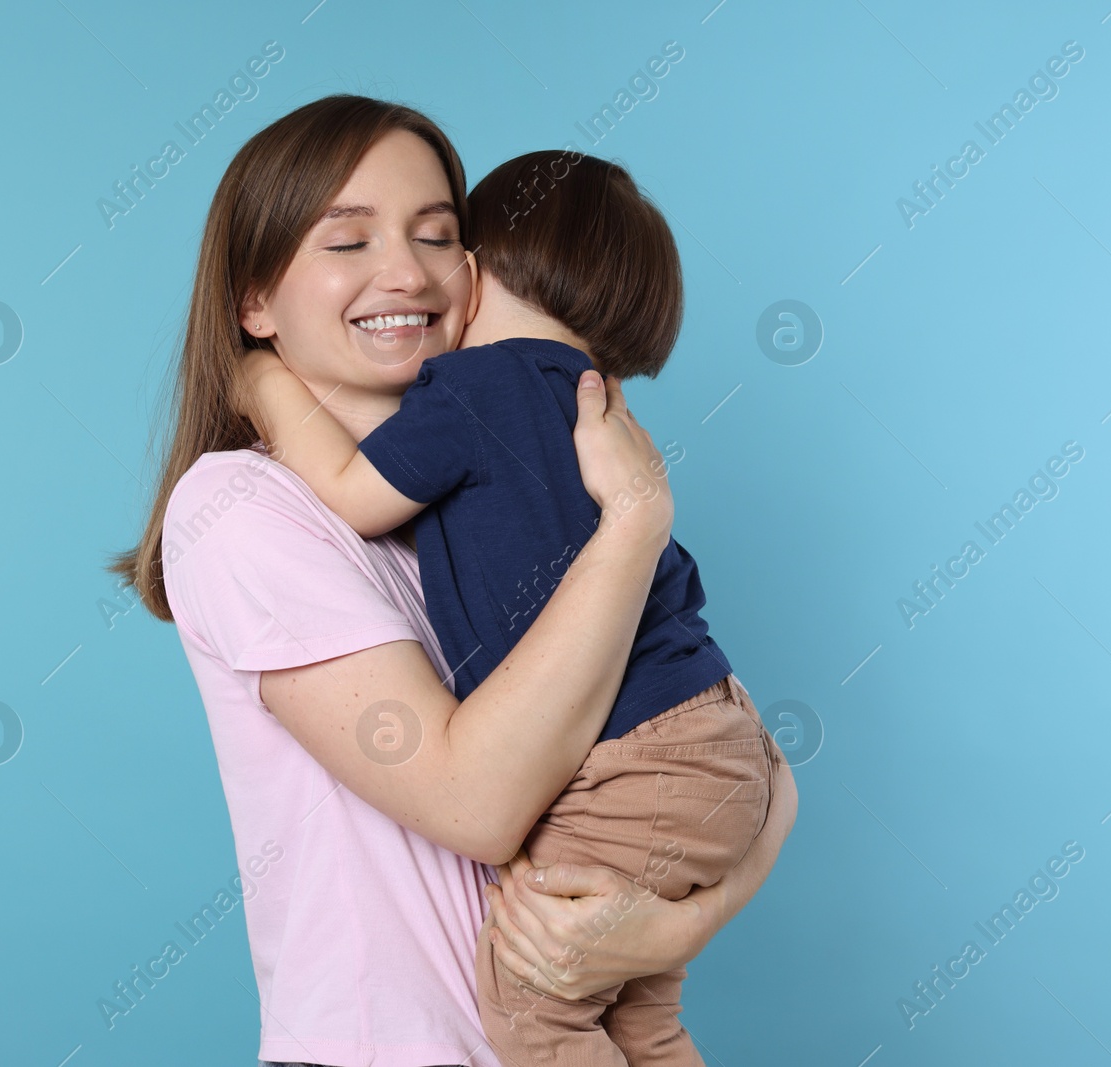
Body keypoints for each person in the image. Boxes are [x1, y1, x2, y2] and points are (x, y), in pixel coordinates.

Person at [112, 94, 796, 1067]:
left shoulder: (500, 486)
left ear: (475, 271)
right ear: (253, 301)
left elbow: (758, 762)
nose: (405, 270)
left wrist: (672, 931)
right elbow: (475, 804)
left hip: (554, 1024)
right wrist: (634, 526)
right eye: (345, 242)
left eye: (436, 234)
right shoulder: (240, 509)